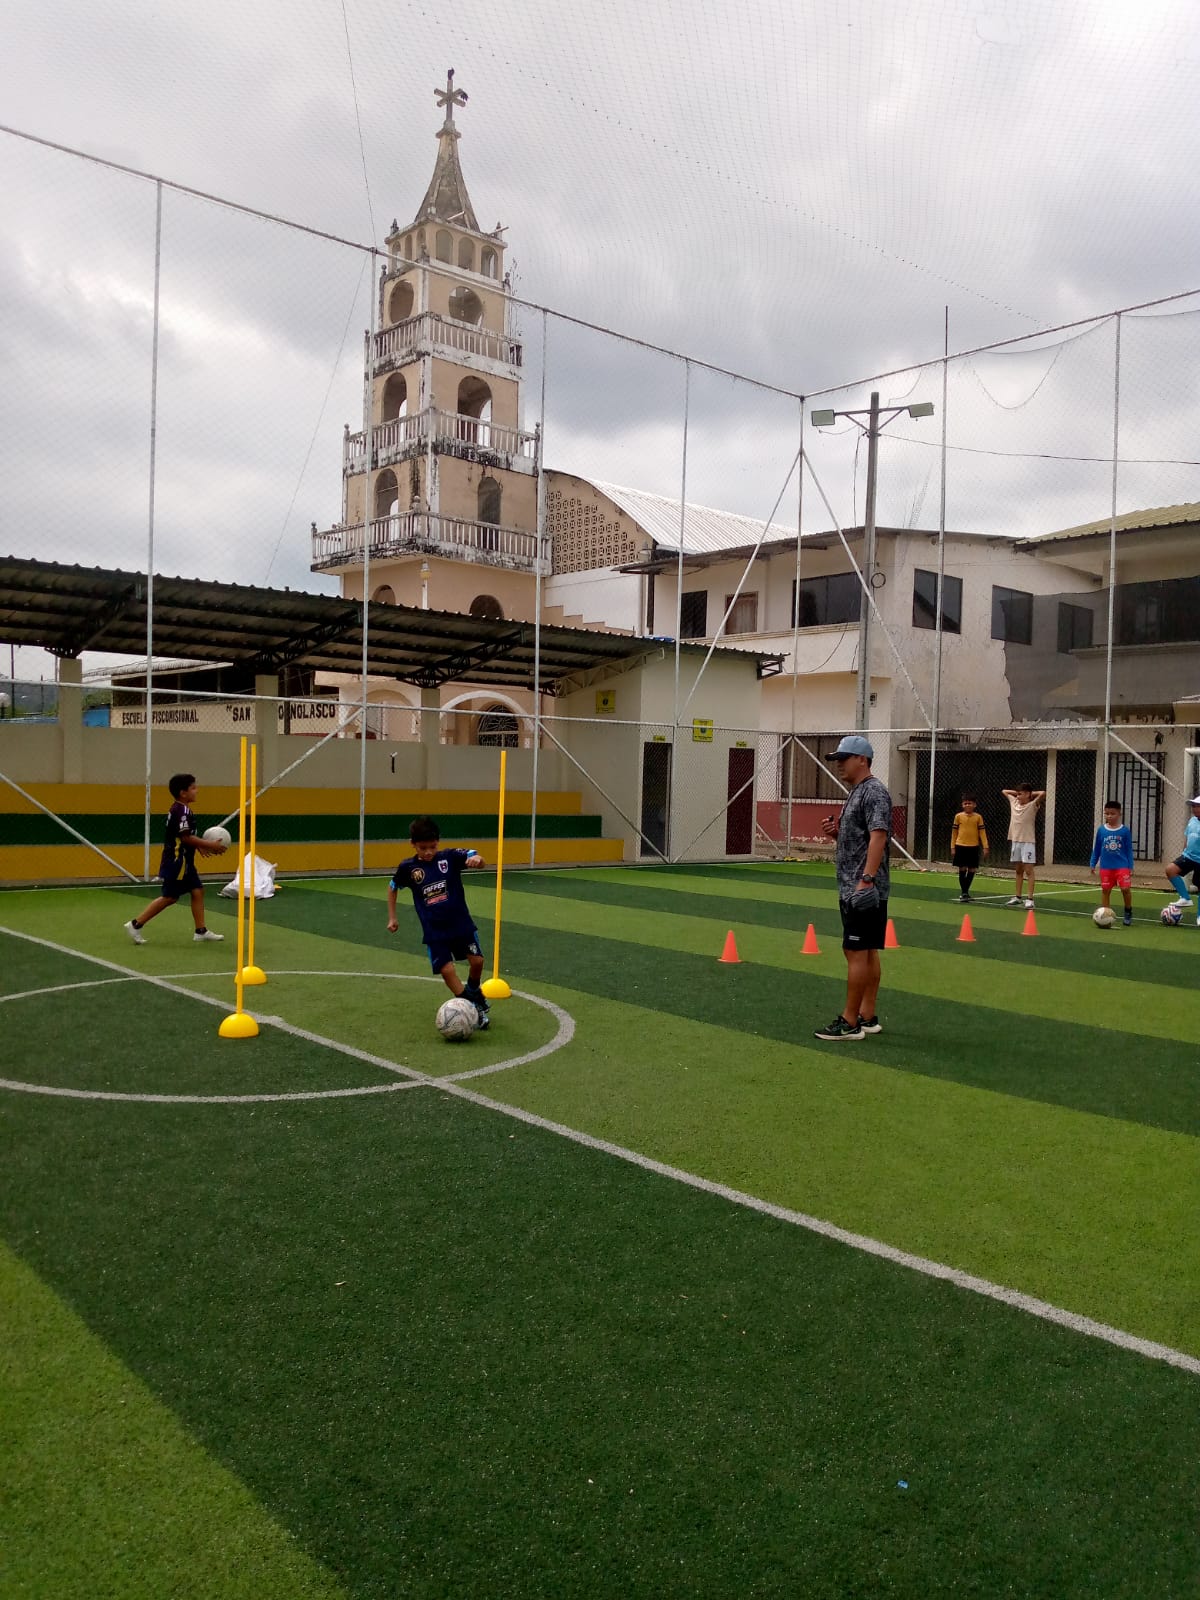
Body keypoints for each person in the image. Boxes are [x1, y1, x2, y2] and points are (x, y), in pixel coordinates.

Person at [814, 735, 892, 1042]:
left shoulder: (873, 791)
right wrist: (837, 834)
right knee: (867, 950)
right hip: (856, 884)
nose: (839, 765)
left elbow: (879, 836)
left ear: (862, 759)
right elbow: (863, 838)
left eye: (843, 759)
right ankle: (867, 1016)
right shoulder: (858, 792)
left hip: (862, 887)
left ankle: (849, 1021)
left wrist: (867, 879)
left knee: (856, 950)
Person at [387, 815, 491, 1027]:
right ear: (413, 844)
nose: (428, 852)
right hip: (435, 930)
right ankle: (472, 1006)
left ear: (438, 842)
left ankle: (473, 991)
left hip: (461, 923)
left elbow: (474, 856)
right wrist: (392, 917)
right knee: (447, 970)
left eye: (432, 847)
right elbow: (392, 887)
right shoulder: (408, 868)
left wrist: (478, 860)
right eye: (423, 848)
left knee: (478, 961)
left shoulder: (449, 857)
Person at [123, 773, 227, 944]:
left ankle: (201, 931)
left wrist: (199, 846)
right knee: (170, 897)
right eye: (193, 788)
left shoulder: (180, 809)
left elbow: (183, 836)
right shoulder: (182, 811)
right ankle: (136, 924)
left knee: (197, 890)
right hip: (177, 861)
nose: (197, 791)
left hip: (185, 860)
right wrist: (210, 845)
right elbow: (185, 838)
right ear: (183, 793)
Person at [1090, 799, 1134, 926]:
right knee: (1106, 890)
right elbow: (1097, 848)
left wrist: (1130, 866)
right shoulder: (1101, 830)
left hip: (1122, 866)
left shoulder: (1125, 831)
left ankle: (1128, 911)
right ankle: (1106, 915)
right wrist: (1093, 863)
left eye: (1112, 813)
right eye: (1107, 813)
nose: (1109, 816)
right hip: (1106, 867)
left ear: (1119, 814)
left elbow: (1129, 850)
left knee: (1125, 889)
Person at [1001, 782, 1045, 908]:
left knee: (1029, 870)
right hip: (1015, 841)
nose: (1018, 796)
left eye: (1020, 794)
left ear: (1027, 794)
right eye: (1017, 794)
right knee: (1018, 870)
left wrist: (1030, 794)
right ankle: (1018, 897)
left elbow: (1043, 793)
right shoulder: (1014, 802)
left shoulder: (1033, 805)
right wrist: (1018, 794)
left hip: (1028, 842)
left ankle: (1030, 899)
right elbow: (1004, 791)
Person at [1163, 794, 1200, 926]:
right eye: (1193, 806)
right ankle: (1185, 898)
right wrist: (1184, 850)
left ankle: (1199, 916)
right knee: (1170, 870)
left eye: (1197, 806)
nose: (1194, 809)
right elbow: (1188, 837)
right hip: (1188, 856)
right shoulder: (1192, 820)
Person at [949, 793, 989, 902]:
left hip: (973, 846)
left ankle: (965, 891)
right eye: (965, 803)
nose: (967, 805)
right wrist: (952, 847)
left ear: (974, 805)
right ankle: (964, 892)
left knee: (972, 869)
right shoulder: (958, 817)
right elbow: (954, 833)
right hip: (960, 846)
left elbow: (982, 832)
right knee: (962, 868)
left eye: (969, 803)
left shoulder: (978, 817)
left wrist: (985, 846)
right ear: (962, 805)